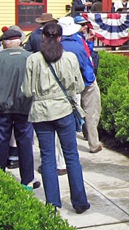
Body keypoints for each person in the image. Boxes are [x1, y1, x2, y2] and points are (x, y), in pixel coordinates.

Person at [22, 22, 89, 213]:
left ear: (43, 37)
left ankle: (53, 203)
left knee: (48, 157)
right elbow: (79, 86)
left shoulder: (33, 59)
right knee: (71, 156)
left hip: (41, 111)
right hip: (63, 109)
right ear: (60, 37)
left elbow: (27, 90)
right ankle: (80, 201)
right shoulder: (69, 58)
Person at [0, 28, 38, 189]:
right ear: (19, 41)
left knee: (0, 141)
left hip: (1, 106)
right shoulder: (31, 58)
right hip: (25, 105)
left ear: (5, 43)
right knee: (25, 142)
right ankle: (27, 179)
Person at [58, 17, 103, 153]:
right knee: (92, 112)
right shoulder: (77, 44)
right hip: (85, 82)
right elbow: (86, 63)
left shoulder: (55, 46)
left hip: (64, 85)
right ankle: (93, 143)